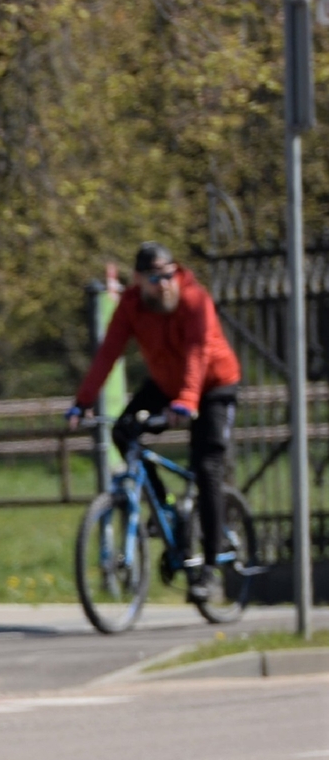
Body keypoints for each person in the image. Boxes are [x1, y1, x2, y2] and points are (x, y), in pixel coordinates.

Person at [67, 242, 242, 597]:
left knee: (207, 467)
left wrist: (188, 400)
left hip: (212, 385)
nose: (163, 284)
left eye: (168, 275)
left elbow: (198, 352)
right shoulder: (132, 305)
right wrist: (82, 401)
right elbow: (108, 353)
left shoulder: (194, 300)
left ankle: (209, 567)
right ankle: (165, 506)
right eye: (154, 278)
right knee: (122, 431)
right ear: (138, 280)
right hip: (166, 384)